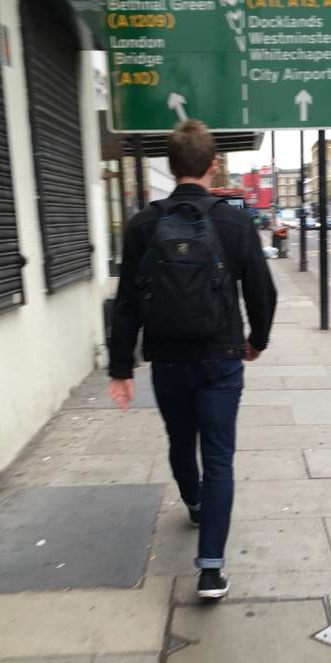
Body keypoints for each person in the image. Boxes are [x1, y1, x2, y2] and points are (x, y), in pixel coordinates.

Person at [108, 120, 277, 600]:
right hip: (221, 357)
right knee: (219, 456)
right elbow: (263, 292)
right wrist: (256, 341)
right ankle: (211, 569)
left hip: (167, 360)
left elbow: (126, 303)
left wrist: (121, 369)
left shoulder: (144, 224)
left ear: (170, 164)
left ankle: (194, 502)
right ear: (212, 165)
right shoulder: (236, 222)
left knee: (181, 441)